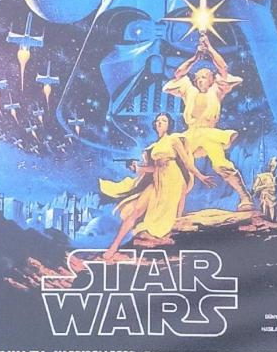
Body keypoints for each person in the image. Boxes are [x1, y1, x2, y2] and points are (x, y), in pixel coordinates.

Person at [99, 112, 214, 257]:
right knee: (136, 210)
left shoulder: (173, 139)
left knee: (169, 218)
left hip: (173, 180)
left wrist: (200, 176)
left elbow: (186, 162)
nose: (159, 122)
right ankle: (114, 246)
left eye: (164, 120)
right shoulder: (153, 147)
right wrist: (138, 168)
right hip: (157, 180)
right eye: (158, 120)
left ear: (169, 125)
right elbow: (154, 168)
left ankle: (168, 242)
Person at [162, 34, 253, 210]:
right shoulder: (189, 90)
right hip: (191, 134)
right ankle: (168, 202)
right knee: (172, 159)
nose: (200, 79)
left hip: (209, 134)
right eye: (198, 77)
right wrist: (195, 58)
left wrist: (210, 48)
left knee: (221, 165)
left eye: (205, 76)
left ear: (212, 79)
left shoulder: (216, 90)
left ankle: (245, 197)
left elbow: (223, 68)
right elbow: (178, 74)